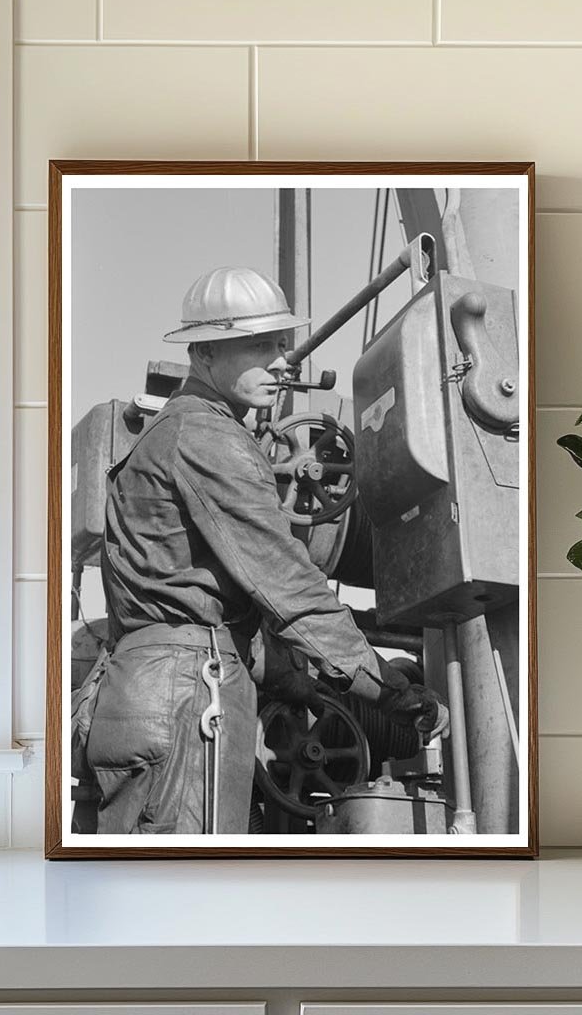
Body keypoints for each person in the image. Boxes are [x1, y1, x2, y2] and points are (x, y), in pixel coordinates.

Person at [85, 266, 449, 834]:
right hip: (188, 698)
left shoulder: (172, 432)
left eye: (281, 344)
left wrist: (297, 679)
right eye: (260, 346)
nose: (282, 361)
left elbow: (204, 602)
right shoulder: (208, 436)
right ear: (205, 353)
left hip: (151, 691)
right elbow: (287, 584)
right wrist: (387, 688)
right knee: (189, 883)